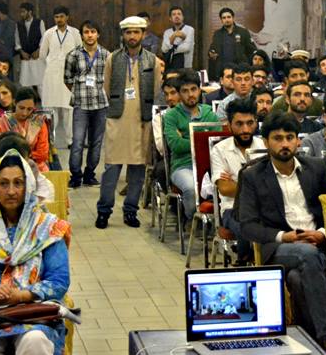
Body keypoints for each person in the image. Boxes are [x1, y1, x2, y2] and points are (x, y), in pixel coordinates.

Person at [0, 150, 71, 355]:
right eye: (3, 184)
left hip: (32, 312)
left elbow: (59, 280)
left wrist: (20, 295)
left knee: (35, 340)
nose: (11, 191)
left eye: (18, 183)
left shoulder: (46, 228)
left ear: (29, 187)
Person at [238, 112, 326, 346]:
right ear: (266, 141)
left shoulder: (316, 168)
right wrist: (285, 237)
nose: (284, 144)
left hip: (319, 242)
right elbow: (247, 225)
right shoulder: (252, 175)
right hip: (279, 246)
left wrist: (322, 233)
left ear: (298, 141)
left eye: (290, 138)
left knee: (297, 279)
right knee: (307, 255)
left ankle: (310, 340)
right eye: (277, 138)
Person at [96, 16, 163, 229]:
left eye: (136, 32)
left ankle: (130, 211)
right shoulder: (112, 58)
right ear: (123, 35)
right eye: (128, 32)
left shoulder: (153, 60)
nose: (132, 36)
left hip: (141, 122)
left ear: (143, 34)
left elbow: (156, 89)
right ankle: (103, 212)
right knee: (111, 170)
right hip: (117, 120)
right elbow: (107, 87)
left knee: (137, 171)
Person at [210, 98, 265, 263]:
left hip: (265, 207)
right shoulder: (219, 150)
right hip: (232, 209)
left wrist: (238, 183)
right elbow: (225, 189)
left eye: (250, 123)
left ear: (256, 123)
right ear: (229, 125)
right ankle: (244, 264)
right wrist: (260, 186)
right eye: (239, 124)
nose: (245, 129)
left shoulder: (265, 146)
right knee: (246, 228)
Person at [163, 70, 218, 223]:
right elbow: (176, 146)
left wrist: (187, 137)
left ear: (200, 90)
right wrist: (203, 136)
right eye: (185, 91)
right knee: (191, 188)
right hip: (182, 166)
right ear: (179, 94)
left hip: (210, 166)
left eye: (194, 89)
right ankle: (193, 221)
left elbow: (216, 143)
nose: (190, 94)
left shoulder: (210, 114)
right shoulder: (171, 116)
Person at [63, 20, 109, 188]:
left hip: (101, 104)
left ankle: (90, 174)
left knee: (96, 142)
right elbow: (67, 79)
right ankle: (75, 175)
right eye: (86, 32)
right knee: (77, 142)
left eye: (93, 32)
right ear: (82, 35)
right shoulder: (73, 55)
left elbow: (110, 79)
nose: (90, 35)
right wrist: (79, 92)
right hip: (81, 104)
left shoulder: (106, 55)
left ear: (98, 34)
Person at [39, 6, 82, 153]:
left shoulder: (75, 33)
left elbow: (80, 52)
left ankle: (71, 141)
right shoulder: (48, 33)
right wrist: (53, 64)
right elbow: (42, 55)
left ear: (67, 17)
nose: (59, 19)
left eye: (62, 16)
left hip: (69, 76)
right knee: (51, 109)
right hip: (51, 76)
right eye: (56, 17)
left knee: (69, 109)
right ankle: (50, 140)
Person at [0, 87, 50, 173]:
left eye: (29, 109)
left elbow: (43, 154)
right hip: (8, 166)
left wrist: (18, 154)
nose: (25, 113)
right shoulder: (2, 122)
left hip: (36, 167)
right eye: (21, 108)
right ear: (14, 102)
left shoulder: (38, 123)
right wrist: (26, 155)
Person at [208, 7, 254, 81]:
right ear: (221, 20)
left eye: (229, 17)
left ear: (233, 18)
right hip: (223, 70)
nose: (227, 19)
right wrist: (211, 53)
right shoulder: (217, 34)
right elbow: (212, 49)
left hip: (239, 69)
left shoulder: (243, 32)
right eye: (224, 18)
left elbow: (251, 50)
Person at [14, 2, 46, 89]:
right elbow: (17, 41)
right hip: (25, 58)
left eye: (23, 12)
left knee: (40, 83)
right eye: (21, 12)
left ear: (30, 12)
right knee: (25, 83)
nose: (21, 14)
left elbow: (44, 39)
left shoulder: (39, 22)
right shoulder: (19, 24)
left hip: (37, 58)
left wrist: (38, 51)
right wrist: (22, 52)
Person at [161, 5, 195, 70]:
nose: (176, 16)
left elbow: (186, 48)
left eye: (179, 14)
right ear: (170, 18)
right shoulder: (167, 32)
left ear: (183, 17)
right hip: (170, 67)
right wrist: (174, 36)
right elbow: (164, 49)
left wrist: (171, 46)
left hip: (186, 67)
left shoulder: (190, 29)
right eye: (174, 14)